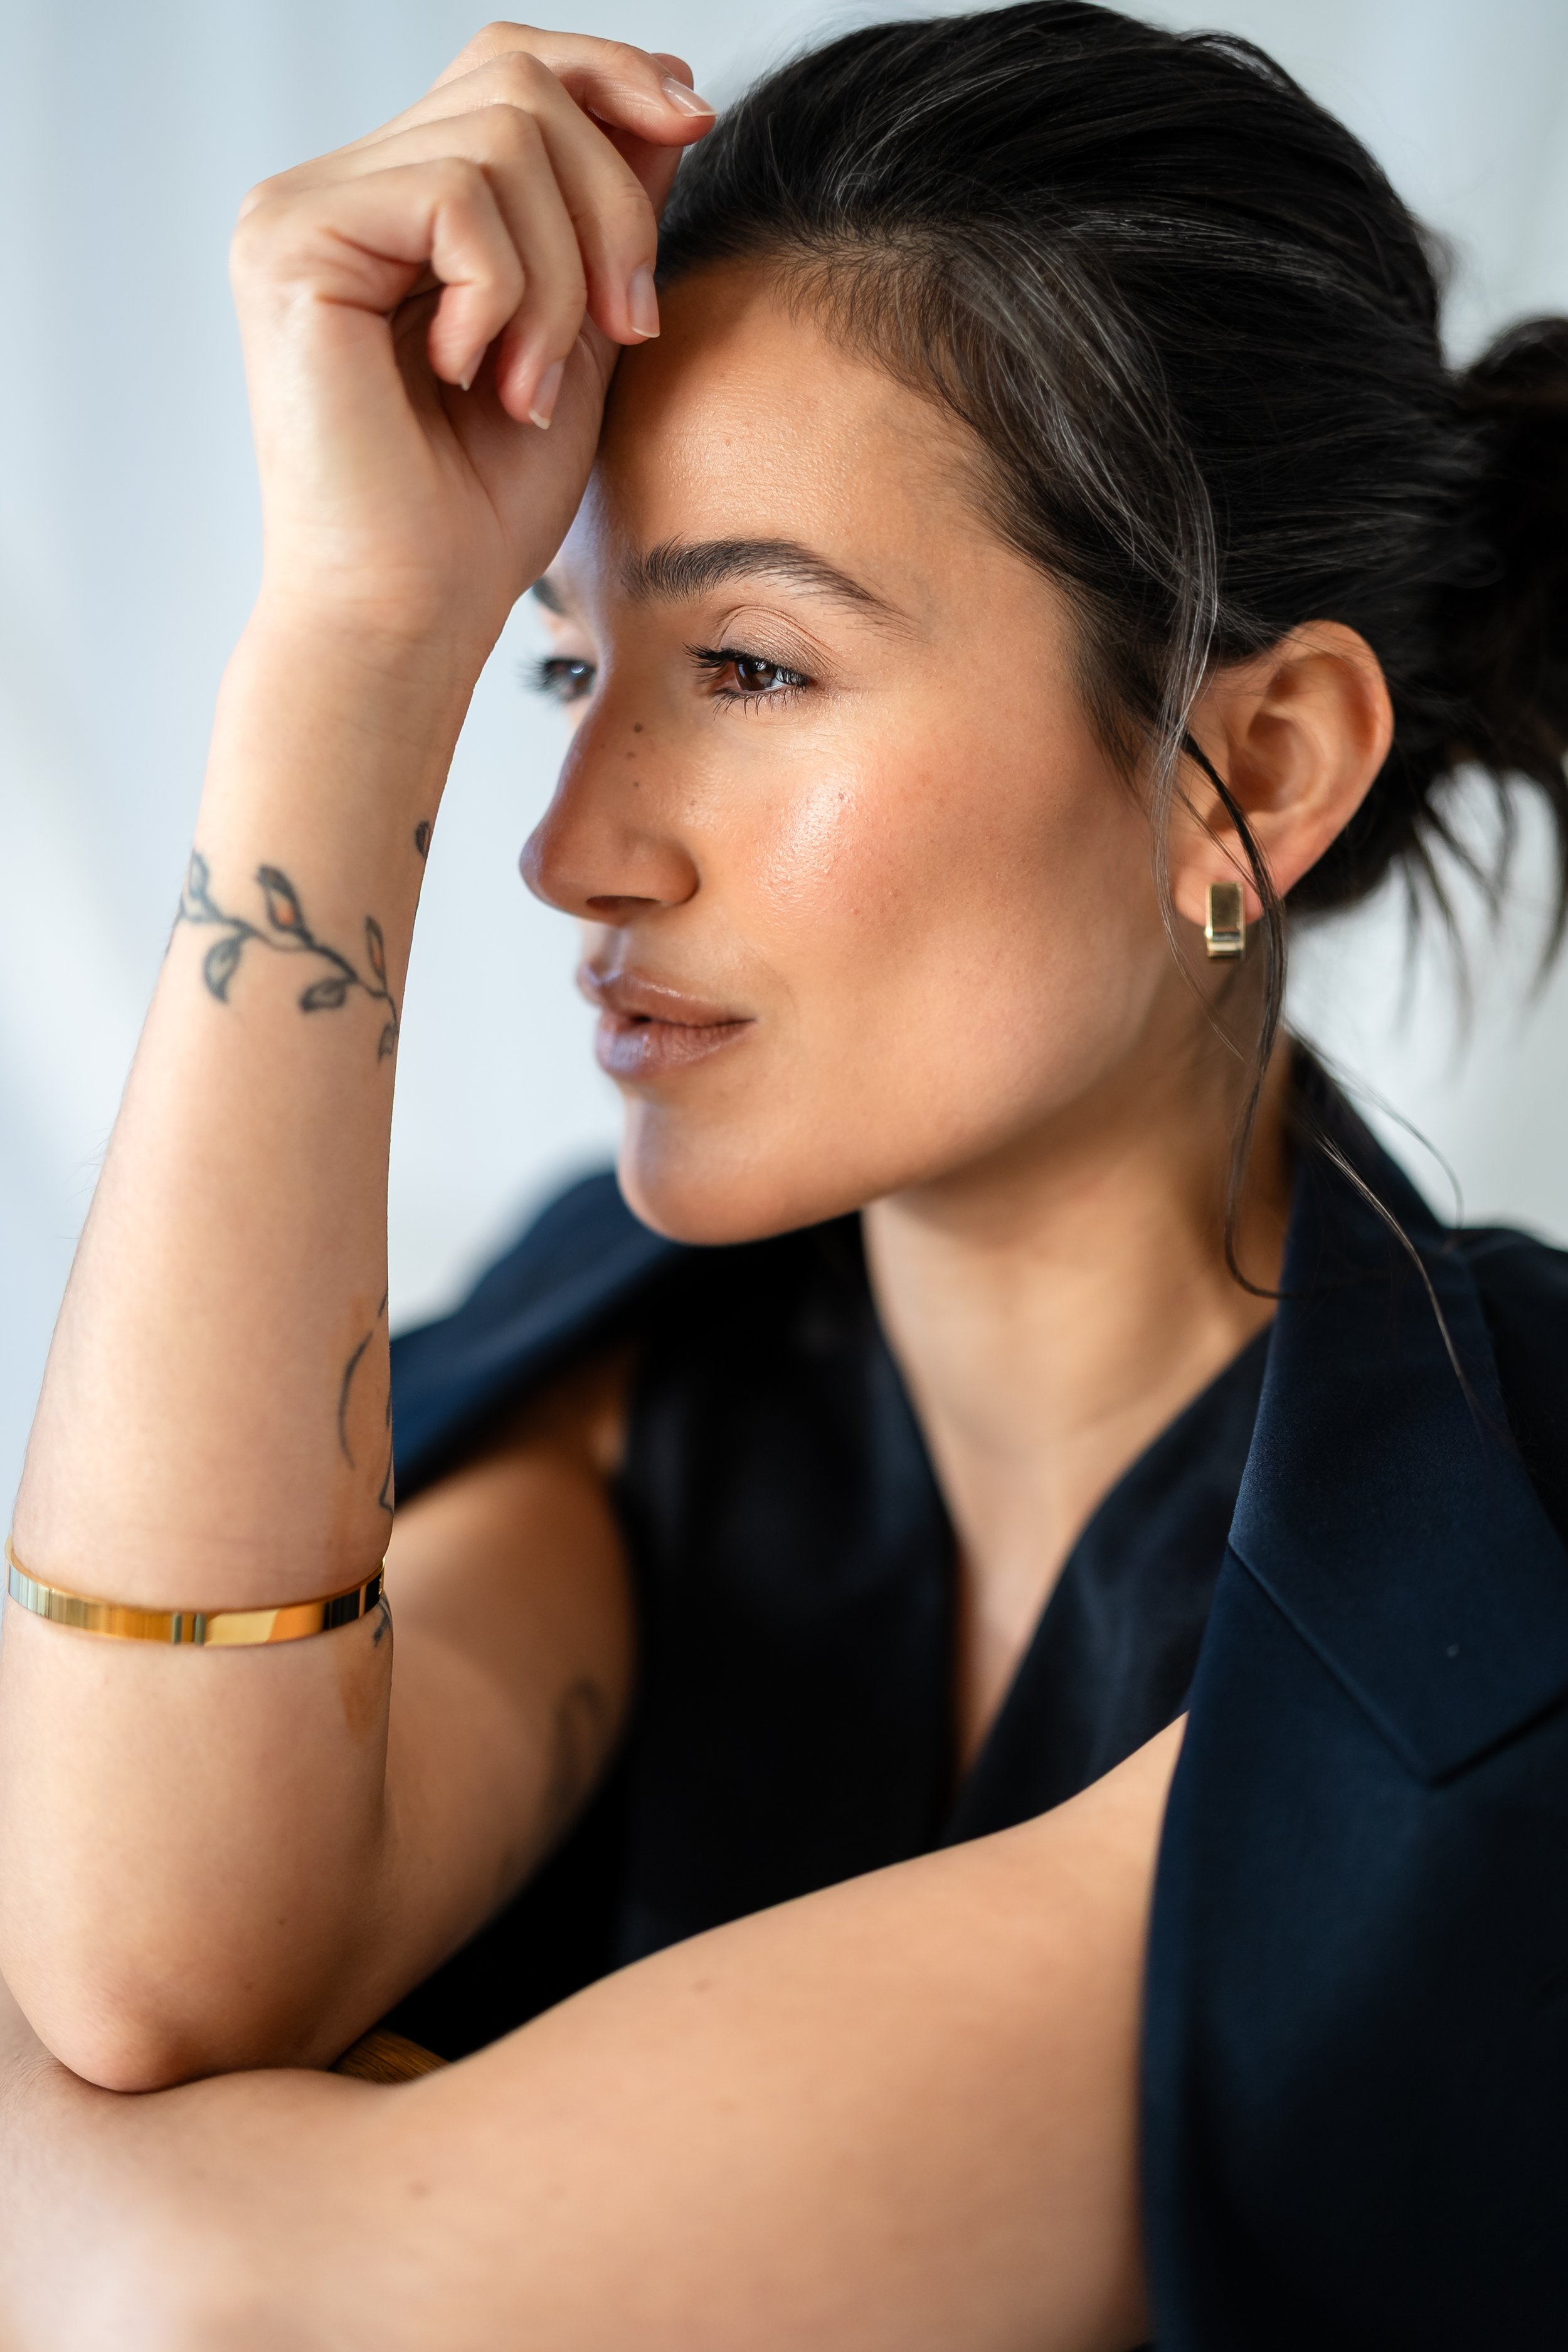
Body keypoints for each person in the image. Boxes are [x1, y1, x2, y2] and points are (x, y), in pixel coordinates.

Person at [2, 4, 1567, 2344]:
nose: (567, 852)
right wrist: (351, 632)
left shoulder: (1480, 1595)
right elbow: (145, 1955)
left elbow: (220, 2305)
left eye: (744, 665)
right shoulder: (669, 1371)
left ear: (1250, 758)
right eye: (558, 672)